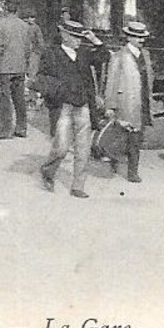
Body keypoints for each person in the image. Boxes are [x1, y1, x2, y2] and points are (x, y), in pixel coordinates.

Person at [38, 18, 102, 198]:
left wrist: (95, 39)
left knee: (83, 148)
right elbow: (41, 78)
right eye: (74, 37)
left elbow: (103, 57)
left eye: (80, 37)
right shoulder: (51, 53)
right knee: (62, 147)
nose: (78, 41)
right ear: (64, 36)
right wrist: (58, 90)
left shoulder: (84, 53)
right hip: (63, 106)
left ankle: (78, 186)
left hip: (83, 105)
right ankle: (48, 171)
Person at [102, 19, 155, 183]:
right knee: (126, 135)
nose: (141, 40)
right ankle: (119, 163)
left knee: (137, 137)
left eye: (143, 37)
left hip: (142, 100)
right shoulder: (120, 56)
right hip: (125, 100)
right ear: (129, 37)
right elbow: (111, 82)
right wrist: (110, 105)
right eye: (138, 37)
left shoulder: (145, 55)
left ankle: (132, 170)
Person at [0, 0, 39, 139]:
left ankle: (6, 130)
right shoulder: (25, 26)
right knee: (19, 98)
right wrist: (26, 64)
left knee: (4, 98)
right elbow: (28, 48)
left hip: (5, 67)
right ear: (17, 9)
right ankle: (21, 128)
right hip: (20, 66)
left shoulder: (0, 24)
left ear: (5, 8)